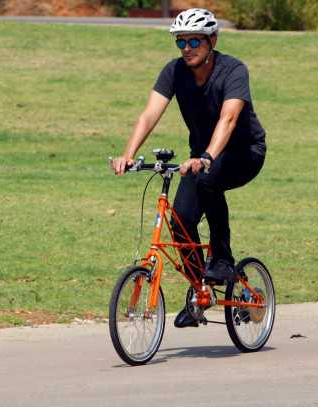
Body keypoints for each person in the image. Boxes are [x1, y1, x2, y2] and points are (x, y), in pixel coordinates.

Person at [111, 8, 266, 328]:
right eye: (181, 42)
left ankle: (222, 260)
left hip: (244, 153)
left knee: (209, 180)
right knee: (180, 220)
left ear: (212, 40)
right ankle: (201, 292)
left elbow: (230, 118)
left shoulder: (233, 70)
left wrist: (207, 157)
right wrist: (128, 154)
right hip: (201, 158)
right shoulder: (174, 71)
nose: (187, 48)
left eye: (195, 40)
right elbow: (149, 114)